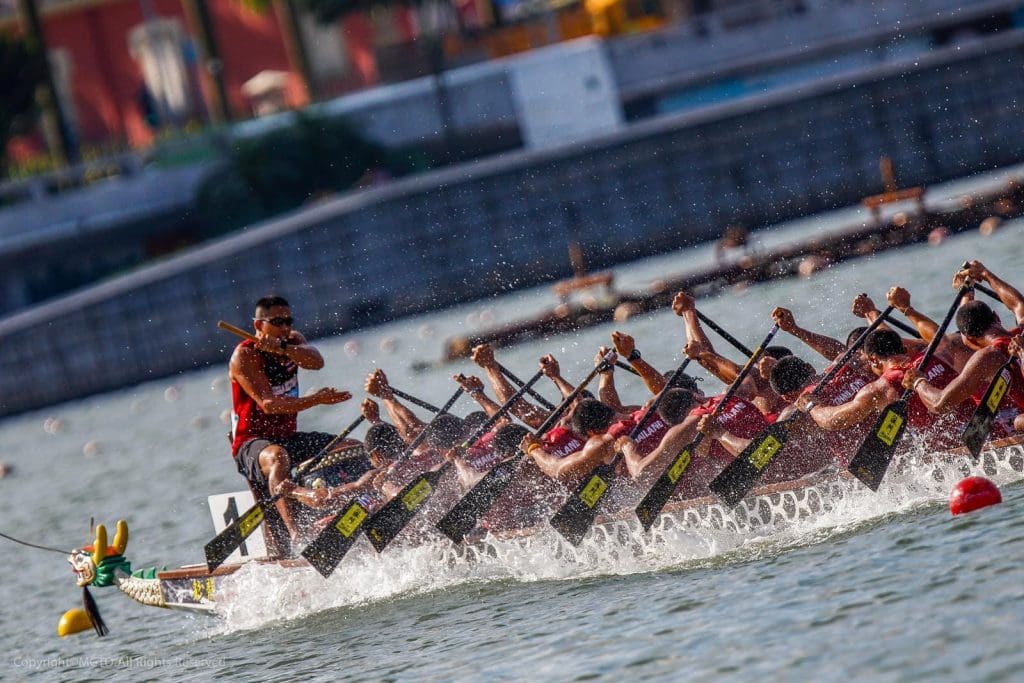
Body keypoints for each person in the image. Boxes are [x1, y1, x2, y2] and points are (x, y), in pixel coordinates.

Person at [229, 295, 352, 556]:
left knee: (350, 447)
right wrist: (316, 400)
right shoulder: (245, 355)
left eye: (288, 320)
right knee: (278, 457)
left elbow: (316, 361)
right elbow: (269, 404)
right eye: (277, 321)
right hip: (252, 444)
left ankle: (367, 507)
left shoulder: (292, 341)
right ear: (259, 325)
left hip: (288, 436)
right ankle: (297, 536)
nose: (285, 326)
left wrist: (283, 347)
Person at [798, 328, 972, 452]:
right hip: (982, 428)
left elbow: (833, 421)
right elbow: (943, 337)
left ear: (874, 360)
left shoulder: (881, 387)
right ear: (903, 348)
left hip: (951, 449)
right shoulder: (935, 354)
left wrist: (812, 407)